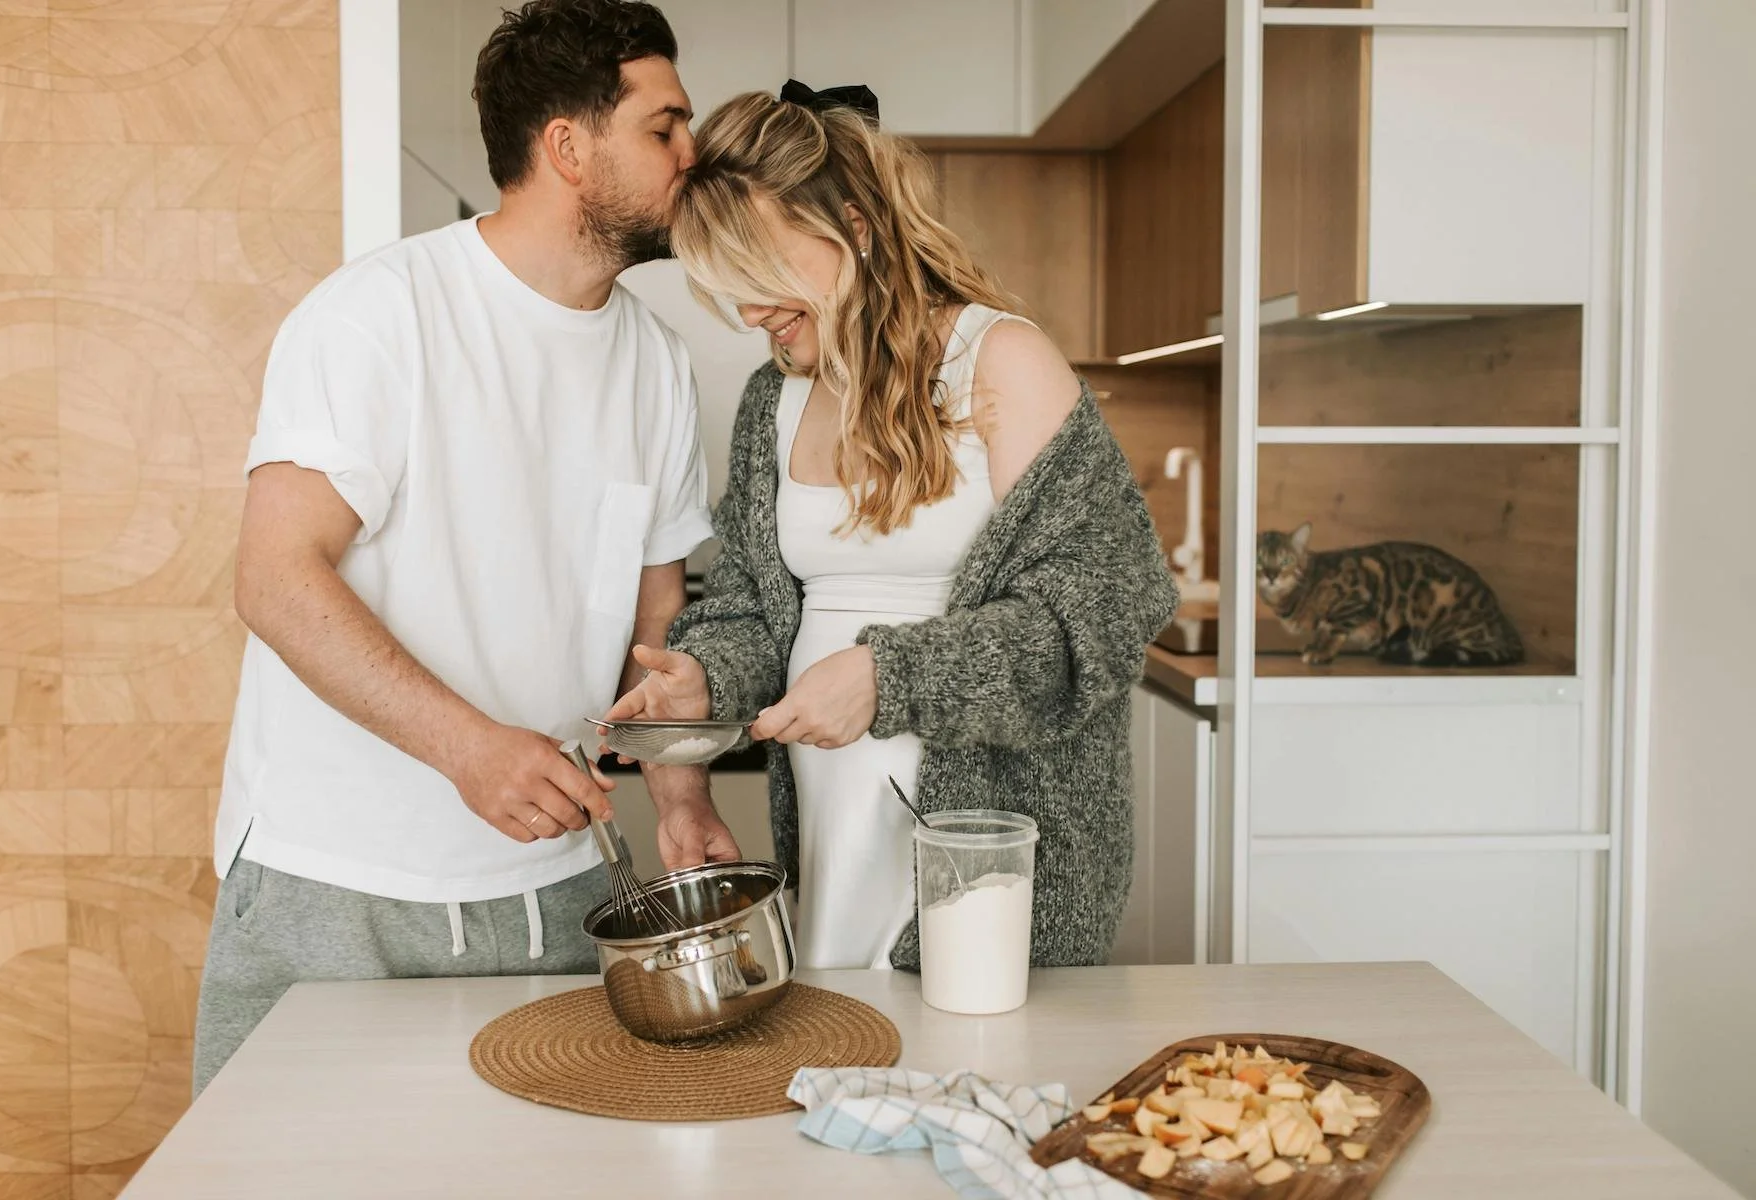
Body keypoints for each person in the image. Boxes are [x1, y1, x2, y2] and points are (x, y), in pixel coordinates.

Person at [193, 0, 740, 1095]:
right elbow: (274, 576)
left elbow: (656, 606)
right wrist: (468, 749)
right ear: (569, 147)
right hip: (338, 885)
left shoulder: (657, 362)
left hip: (553, 885)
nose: (697, 154)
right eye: (667, 126)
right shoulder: (379, 318)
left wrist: (681, 801)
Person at [605, 83, 1177, 972]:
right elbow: (757, 608)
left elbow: (1104, 609)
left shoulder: (1001, 360)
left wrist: (889, 677)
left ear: (856, 226)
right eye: (725, 285)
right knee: (852, 1057)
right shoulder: (774, 399)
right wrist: (706, 680)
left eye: (759, 271)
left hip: (996, 822)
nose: (750, 313)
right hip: (839, 809)